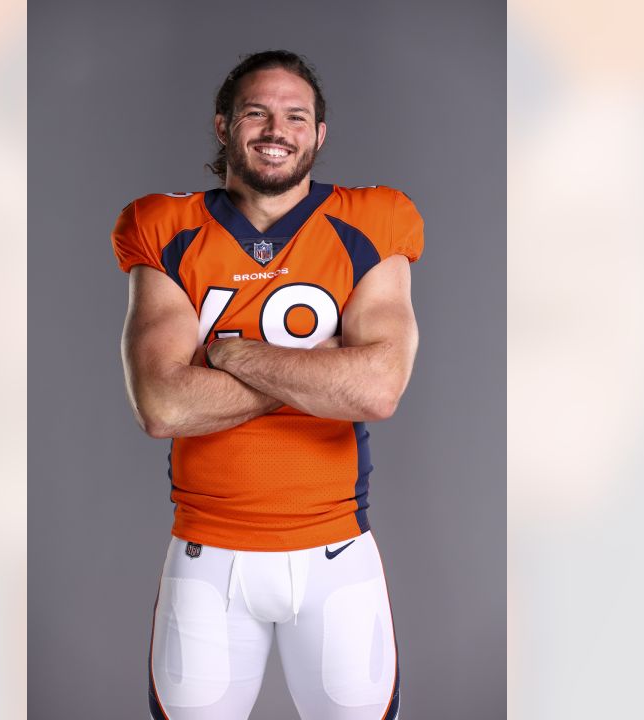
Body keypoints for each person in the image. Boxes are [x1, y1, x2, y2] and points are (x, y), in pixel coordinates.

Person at [111, 50, 423, 720]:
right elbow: (162, 404)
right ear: (223, 125)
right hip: (208, 556)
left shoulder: (371, 221)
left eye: (295, 115)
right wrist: (323, 369)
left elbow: (378, 390)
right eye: (257, 112)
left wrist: (229, 354)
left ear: (319, 134)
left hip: (337, 552)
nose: (276, 128)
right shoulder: (164, 228)